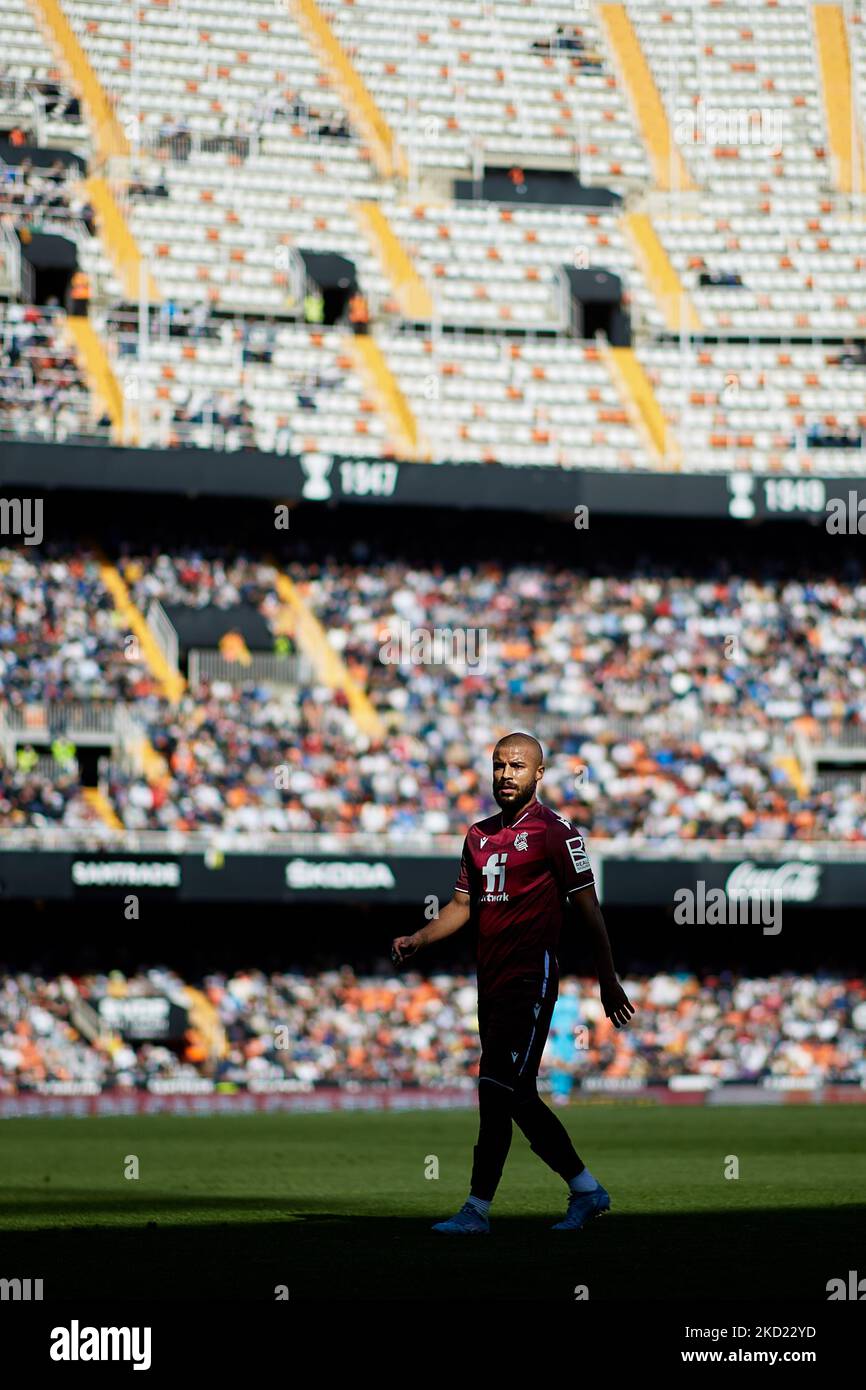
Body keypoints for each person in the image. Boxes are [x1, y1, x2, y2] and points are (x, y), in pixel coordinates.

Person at [391, 732, 634, 1234]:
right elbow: (461, 907)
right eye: (499, 765)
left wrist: (607, 979)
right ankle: (584, 1191)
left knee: (498, 1087)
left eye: (517, 766)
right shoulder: (478, 835)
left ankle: (480, 1210)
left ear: (538, 774)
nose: (506, 775)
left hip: (532, 976)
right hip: (492, 981)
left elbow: (590, 913)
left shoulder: (555, 832)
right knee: (505, 1093)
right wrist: (420, 938)